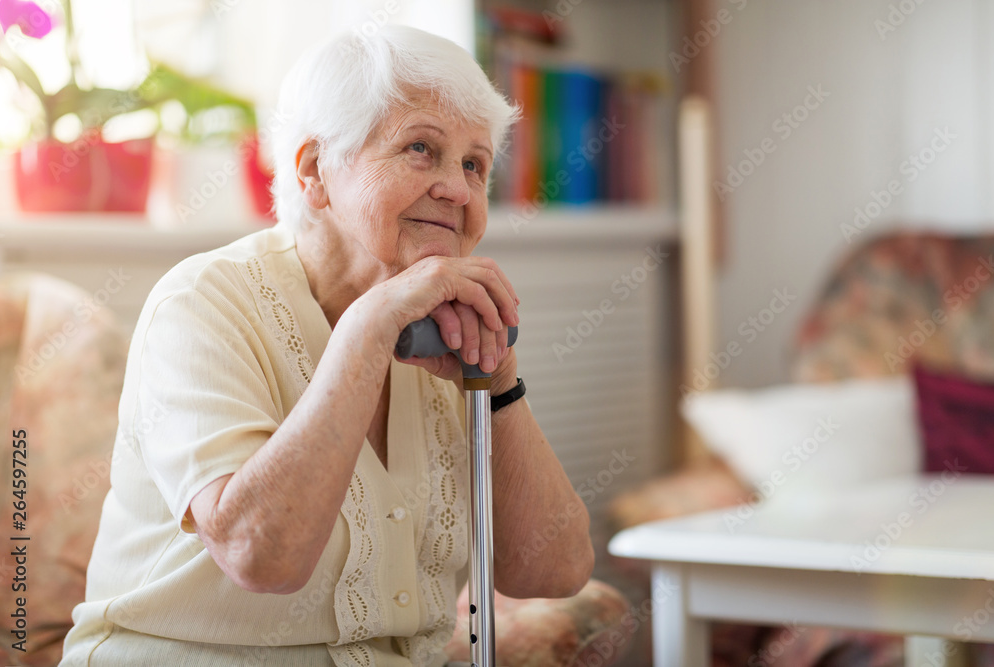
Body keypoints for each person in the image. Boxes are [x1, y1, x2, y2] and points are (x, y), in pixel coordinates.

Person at [60, 24, 594, 667]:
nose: (456, 187)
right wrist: (365, 335)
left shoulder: (444, 326)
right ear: (314, 171)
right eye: (421, 148)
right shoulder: (201, 303)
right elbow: (261, 555)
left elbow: (553, 573)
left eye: (474, 163)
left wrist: (501, 379)